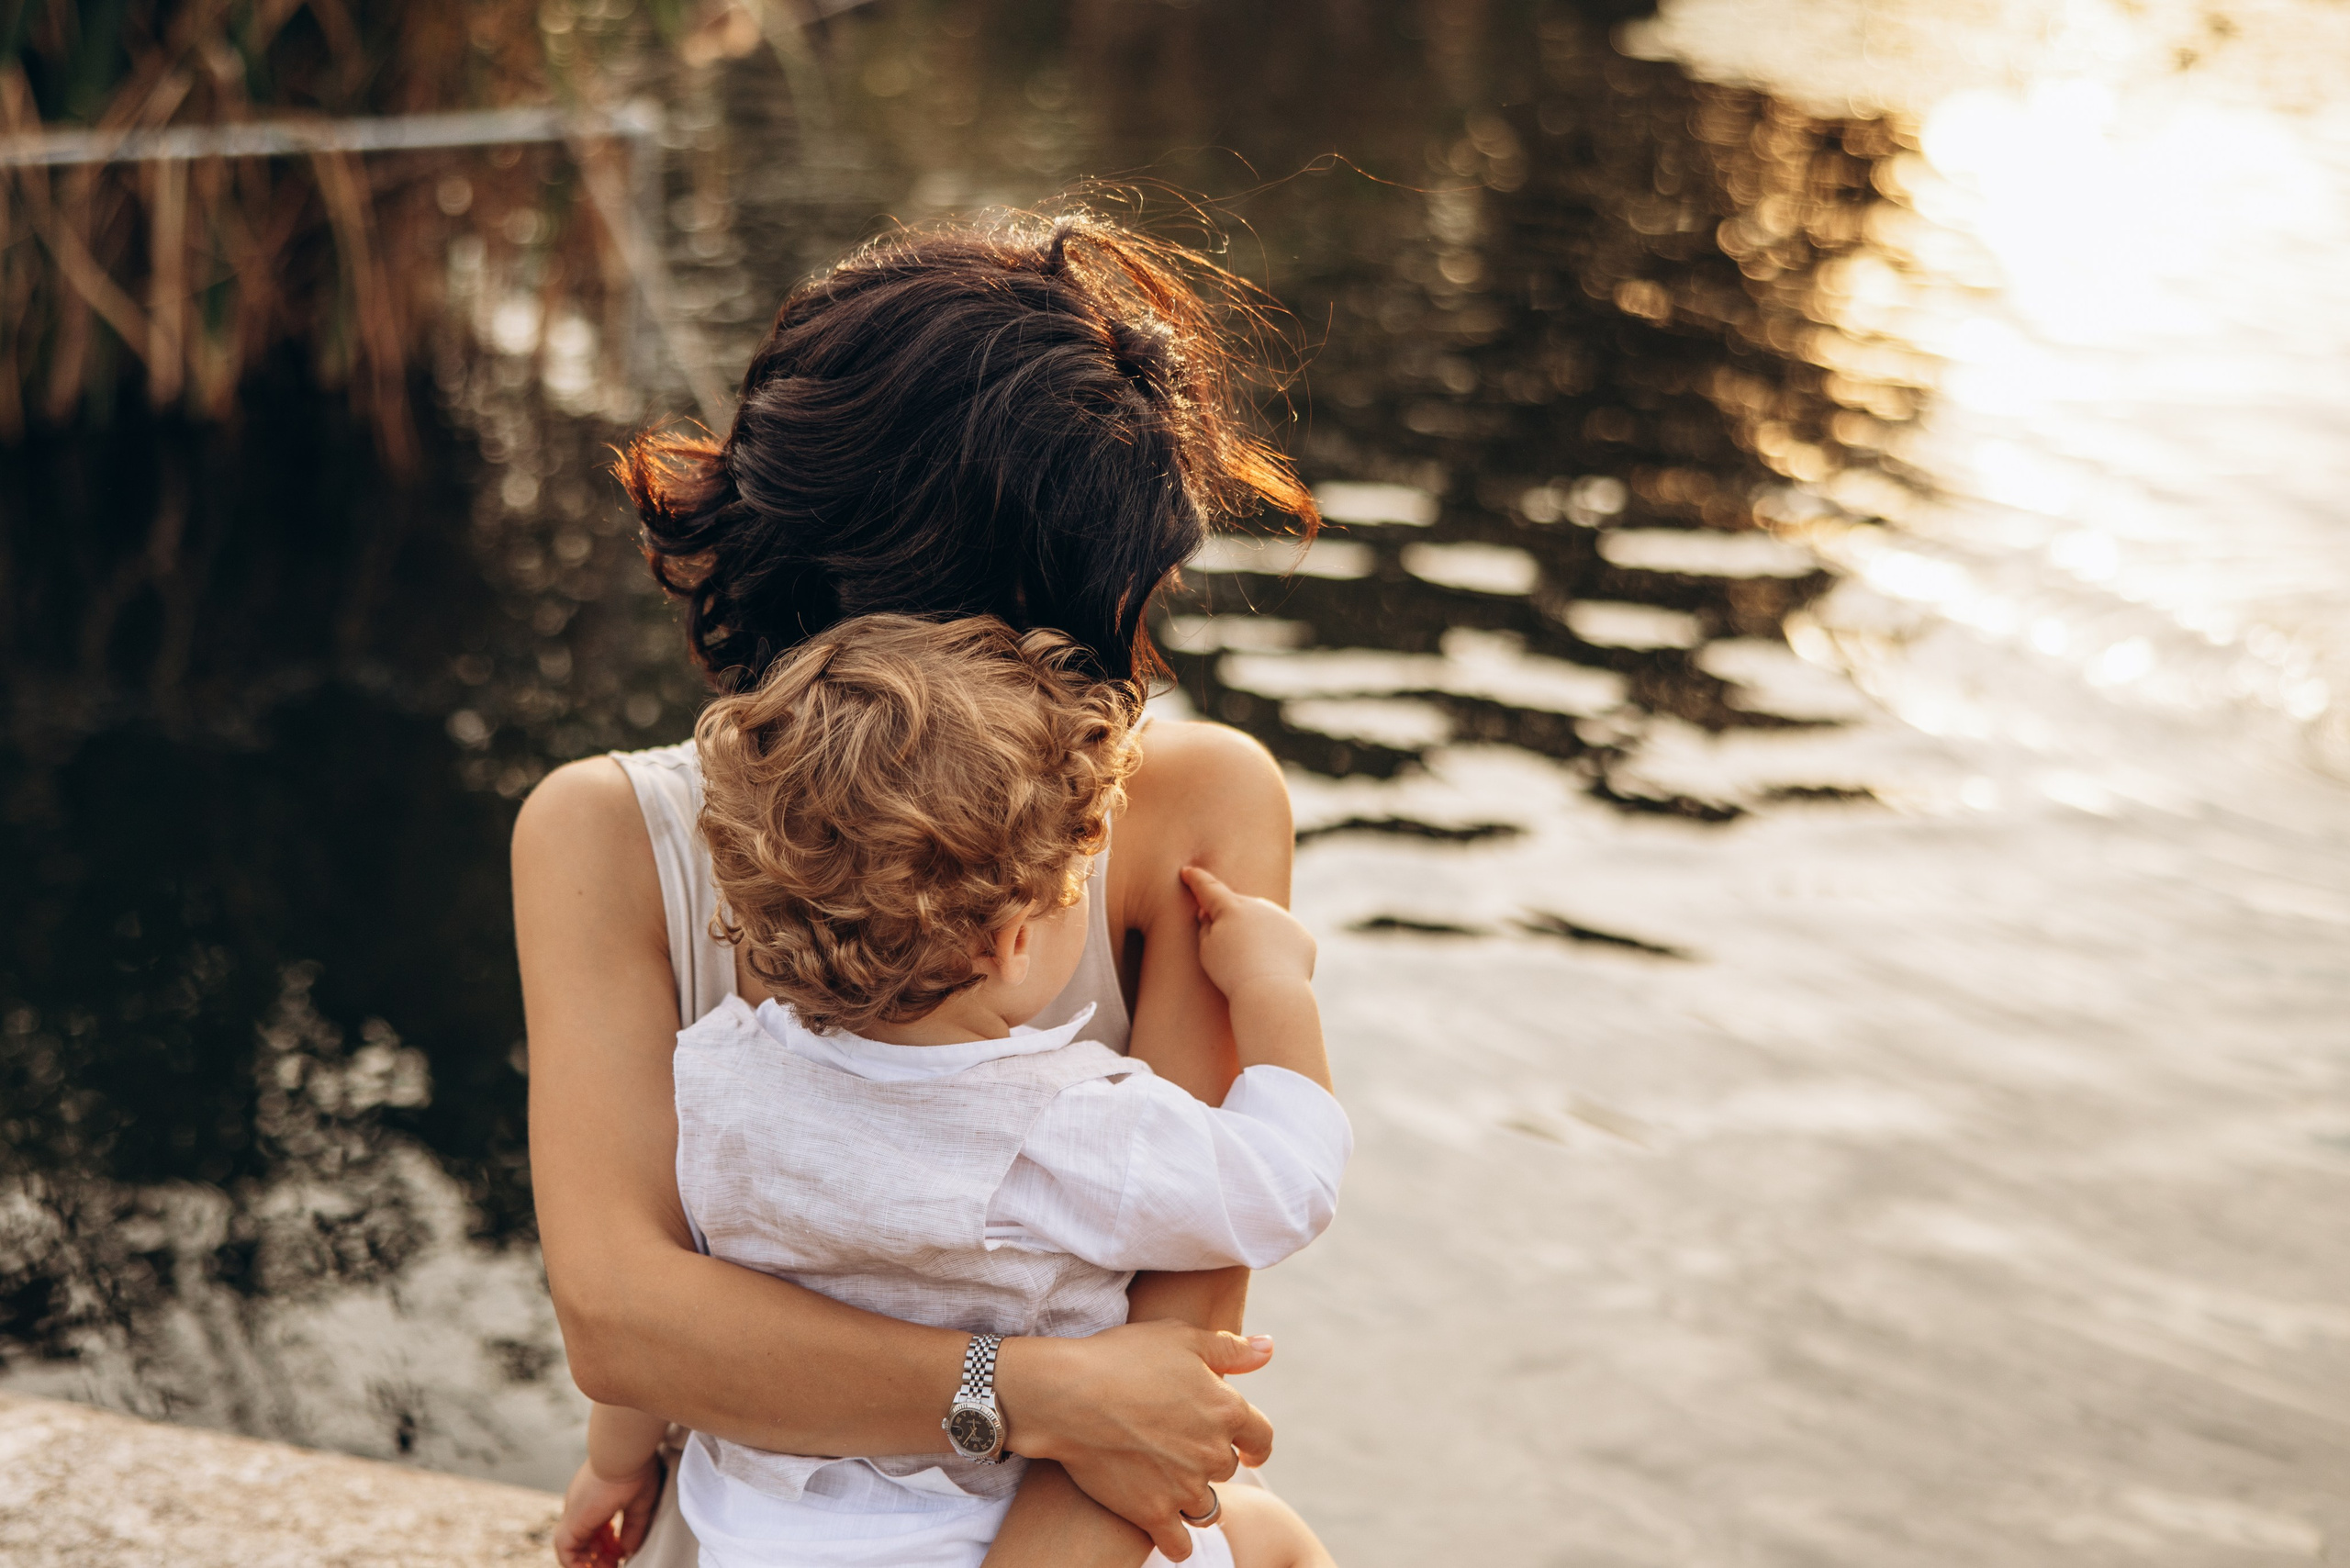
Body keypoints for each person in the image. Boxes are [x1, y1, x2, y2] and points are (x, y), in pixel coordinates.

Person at [513, 211, 1323, 1568]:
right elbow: (621, 1315)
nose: (1129, 670)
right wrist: (1032, 1389)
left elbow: (1176, 1357)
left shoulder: (1198, 804)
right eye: (1089, 611)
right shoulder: (606, 836)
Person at [551, 615, 1343, 1568]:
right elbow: (1285, 1185)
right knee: (1271, 1537)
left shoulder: (723, 1077)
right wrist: (1272, 987)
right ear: (1013, 941)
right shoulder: (1064, 1119)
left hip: (761, 1535)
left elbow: (651, 1354)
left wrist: (612, 1466)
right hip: (985, 1533)